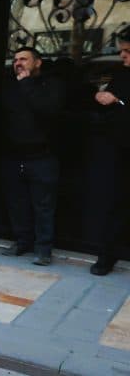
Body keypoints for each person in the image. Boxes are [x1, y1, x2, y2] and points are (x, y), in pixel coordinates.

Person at [0, 47, 64, 266]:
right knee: (17, 203)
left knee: (44, 206)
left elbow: (48, 110)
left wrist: (26, 84)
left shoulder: (51, 85)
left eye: (24, 59)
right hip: (13, 156)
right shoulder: (9, 87)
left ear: (38, 62)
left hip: (42, 157)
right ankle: (22, 241)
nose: (18, 63)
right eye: (15, 60)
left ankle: (43, 249)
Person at [89, 36, 130, 275]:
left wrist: (119, 101)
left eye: (127, 51)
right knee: (115, 204)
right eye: (122, 50)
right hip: (118, 152)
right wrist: (102, 99)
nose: (123, 55)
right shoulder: (121, 75)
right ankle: (107, 257)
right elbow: (105, 107)